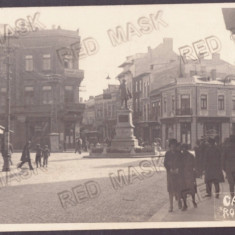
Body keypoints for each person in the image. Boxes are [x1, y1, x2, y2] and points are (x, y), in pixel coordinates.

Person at [164, 139, 182, 212]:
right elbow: (165, 163)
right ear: (170, 146)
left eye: (174, 146)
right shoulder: (167, 154)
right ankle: (171, 206)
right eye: (171, 146)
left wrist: (178, 169)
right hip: (170, 174)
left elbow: (182, 163)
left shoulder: (179, 153)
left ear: (176, 146)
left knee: (178, 188)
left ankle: (179, 201)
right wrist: (169, 169)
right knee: (170, 190)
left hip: (178, 174)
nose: (173, 148)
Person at [179, 144, 197, 211]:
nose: (183, 150)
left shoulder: (189, 156)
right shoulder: (181, 156)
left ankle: (193, 201)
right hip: (185, 175)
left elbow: (194, 165)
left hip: (188, 175)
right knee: (185, 190)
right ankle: (186, 204)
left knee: (190, 189)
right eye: (183, 148)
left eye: (184, 148)